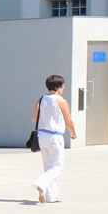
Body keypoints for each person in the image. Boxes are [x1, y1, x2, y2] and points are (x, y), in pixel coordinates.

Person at [32, 73, 76, 204]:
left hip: (42, 136)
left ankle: (53, 196)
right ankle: (40, 183)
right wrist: (73, 133)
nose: (63, 88)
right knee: (57, 167)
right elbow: (69, 121)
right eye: (62, 86)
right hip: (55, 137)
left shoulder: (41, 99)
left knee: (48, 167)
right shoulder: (61, 101)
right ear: (58, 87)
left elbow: (34, 118)